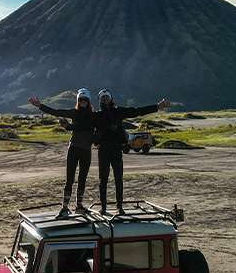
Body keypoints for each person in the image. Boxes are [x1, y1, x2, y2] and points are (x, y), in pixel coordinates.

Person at [94, 89, 170, 215]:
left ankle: (119, 207)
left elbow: (136, 111)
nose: (105, 99)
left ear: (111, 99)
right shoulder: (96, 115)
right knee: (103, 180)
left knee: (119, 179)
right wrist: (68, 126)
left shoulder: (118, 111)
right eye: (102, 98)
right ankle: (103, 208)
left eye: (107, 97)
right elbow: (82, 121)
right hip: (103, 151)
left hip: (117, 149)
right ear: (99, 100)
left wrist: (157, 107)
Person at [28, 88, 96, 218]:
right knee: (69, 179)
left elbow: (95, 126)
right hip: (74, 149)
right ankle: (64, 207)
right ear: (78, 101)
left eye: (85, 100)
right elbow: (56, 112)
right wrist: (40, 106)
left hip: (86, 151)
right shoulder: (74, 113)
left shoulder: (94, 115)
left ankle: (79, 206)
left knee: (82, 179)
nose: (82, 102)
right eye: (80, 100)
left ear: (88, 101)